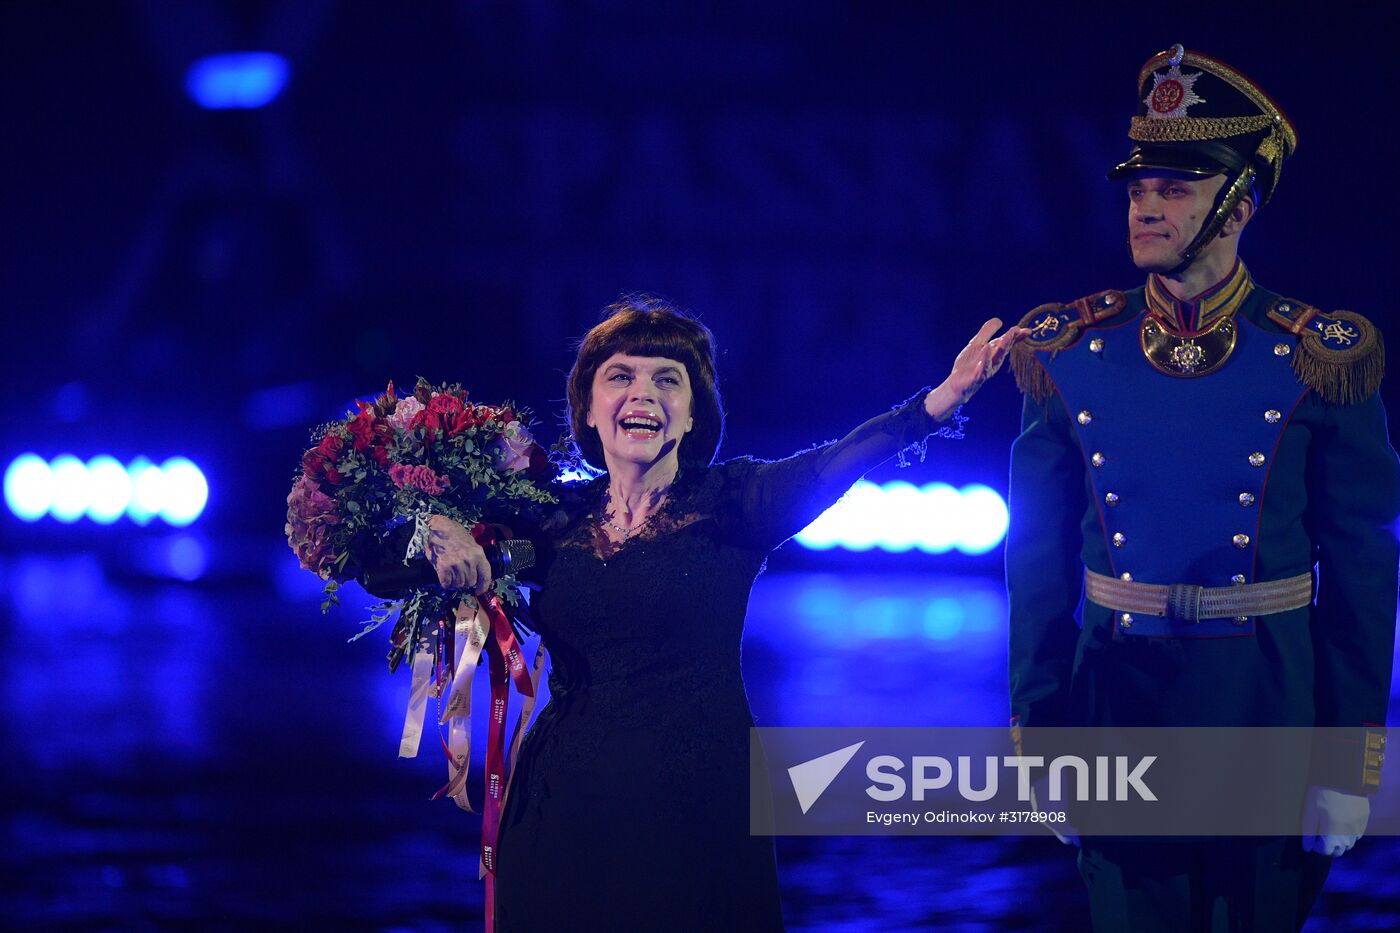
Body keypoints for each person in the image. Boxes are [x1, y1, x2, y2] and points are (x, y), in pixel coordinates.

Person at [422, 295, 1022, 930]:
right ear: (590, 411)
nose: (642, 393)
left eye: (667, 380)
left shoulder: (735, 501)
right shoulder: (549, 519)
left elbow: (837, 461)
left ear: (689, 416)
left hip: (696, 804)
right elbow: (373, 555)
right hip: (564, 803)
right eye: (620, 376)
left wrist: (941, 400)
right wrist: (437, 527)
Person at [1006, 44, 1399, 931]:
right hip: (1116, 711)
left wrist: (1347, 763)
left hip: (1266, 712)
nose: (1146, 204)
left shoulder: (1314, 358)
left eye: (1176, 187)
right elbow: (1033, 564)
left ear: (1239, 207)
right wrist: (1041, 736)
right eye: (1140, 186)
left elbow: (1366, 578)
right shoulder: (1071, 350)